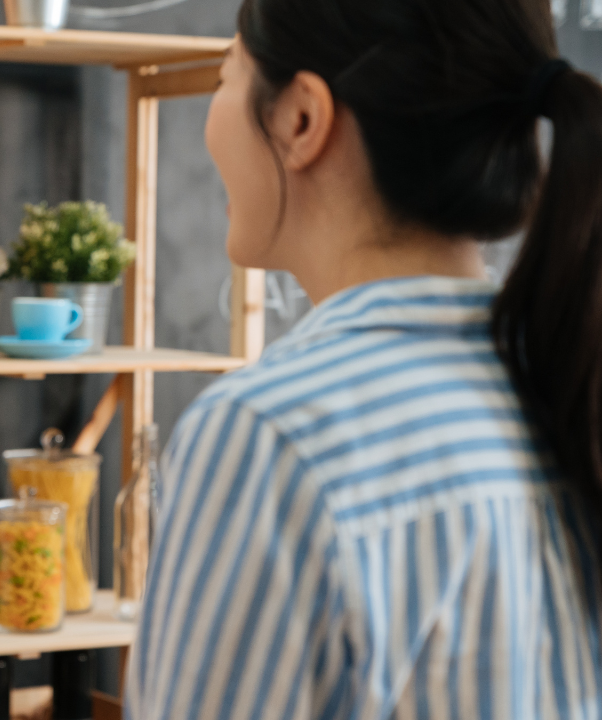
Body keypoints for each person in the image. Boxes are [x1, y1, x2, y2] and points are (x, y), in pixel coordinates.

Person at [127, 0, 602, 717]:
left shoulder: (267, 436)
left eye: (226, 76)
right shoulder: (570, 387)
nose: (212, 118)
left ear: (301, 120)